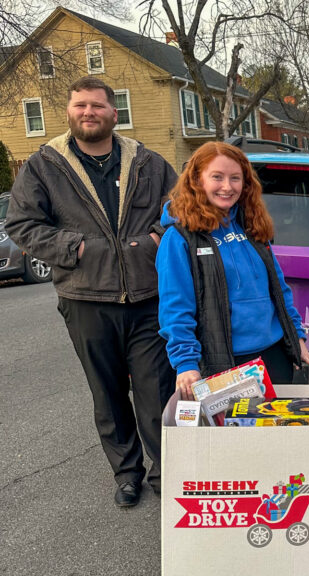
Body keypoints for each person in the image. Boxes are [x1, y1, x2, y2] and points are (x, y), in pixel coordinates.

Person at [6, 77, 177, 508]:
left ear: (113, 112)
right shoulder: (45, 165)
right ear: (69, 111)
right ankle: (127, 474)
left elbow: (180, 208)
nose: (88, 112)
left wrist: (157, 239)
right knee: (108, 393)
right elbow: (23, 225)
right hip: (85, 299)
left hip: (148, 298)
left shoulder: (149, 163)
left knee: (157, 392)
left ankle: (167, 472)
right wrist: (76, 248)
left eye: (97, 106)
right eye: (80, 105)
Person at [155, 141, 309, 400]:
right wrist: (185, 363)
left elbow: (278, 289)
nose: (227, 186)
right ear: (197, 180)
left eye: (235, 178)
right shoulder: (179, 238)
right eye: (217, 177)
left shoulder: (252, 225)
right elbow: (175, 308)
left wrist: (296, 338)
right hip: (223, 362)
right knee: (236, 440)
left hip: (273, 356)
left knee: (278, 436)